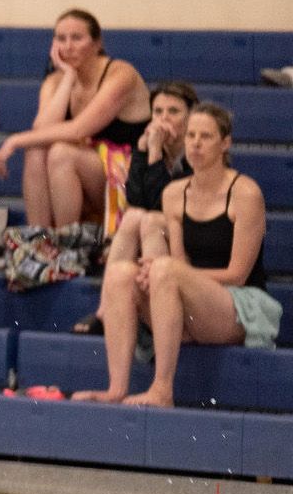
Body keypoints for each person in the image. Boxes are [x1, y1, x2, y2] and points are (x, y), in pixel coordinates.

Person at [74, 104, 280, 407]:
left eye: (206, 136)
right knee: (120, 274)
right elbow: (180, 262)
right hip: (190, 297)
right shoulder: (174, 193)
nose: (196, 143)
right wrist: (161, 271)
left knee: (164, 270)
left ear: (225, 143)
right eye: (191, 135)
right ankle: (116, 387)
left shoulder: (245, 193)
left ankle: (162, 388)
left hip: (239, 303)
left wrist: (167, 271)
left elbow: (237, 274)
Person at [0, 9, 152, 229]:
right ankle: (40, 241)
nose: (68, 46)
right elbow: (41, 131)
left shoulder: (121, 74)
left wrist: (14, 140)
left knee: (61, 154)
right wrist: (68, 77)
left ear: (98, 43)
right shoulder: (55, 81)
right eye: (61, 38)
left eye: (77, 38)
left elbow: (79, 130)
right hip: (83, 175)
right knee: (37, 150)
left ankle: (67, 244)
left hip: (128, 176)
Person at [80, 81, 199, 333]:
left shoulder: (198, 153)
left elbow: (163, 205)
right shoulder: (147, 147)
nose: (163, 119)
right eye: (157, 112)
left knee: (148, 219)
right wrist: (145, 153)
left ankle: (160, 309)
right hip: (153, 234)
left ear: (191, 117)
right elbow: (135, 201)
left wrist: (153, 153)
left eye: (173, 112)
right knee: (134, 217)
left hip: (189, 238)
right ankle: (104, 308)